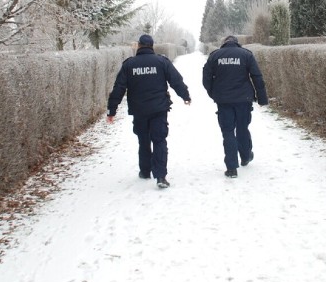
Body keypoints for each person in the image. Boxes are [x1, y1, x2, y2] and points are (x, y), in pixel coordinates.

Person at [107, 34, 191, 189]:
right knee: (159, 140)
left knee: (143, 140)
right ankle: (160, 176)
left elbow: (119, 88)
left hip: (139, 110)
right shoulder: (162, 62)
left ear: (139, 45)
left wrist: (112, 110)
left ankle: (145, 171)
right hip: (159, 109)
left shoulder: (129, 65)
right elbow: (176, 81)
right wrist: (185, 96)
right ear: (152, 46)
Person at [202, 35, 269, 178]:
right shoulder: (246, 55)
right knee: (242, 128)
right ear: (237, 43)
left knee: (228, 132)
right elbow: (257, 76)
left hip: (224, 101)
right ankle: (245, 156)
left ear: (224, 43)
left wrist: (213, 93)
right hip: (244, 100)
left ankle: (231, 168)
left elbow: (206, 78)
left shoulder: (215, 56)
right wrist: (262, 98)